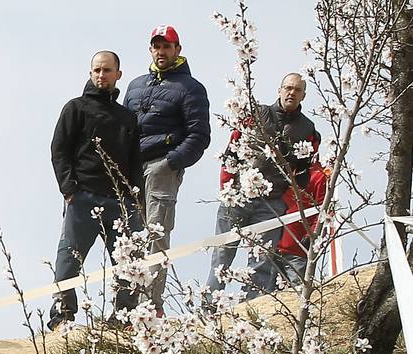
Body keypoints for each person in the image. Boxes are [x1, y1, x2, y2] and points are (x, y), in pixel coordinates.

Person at [46, 50, 145, 330]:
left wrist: (134, 195)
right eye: (97, 70)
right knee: (69, 258)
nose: (101, 75)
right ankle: (61, 317)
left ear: (118, 75)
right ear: (90, 73)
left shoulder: (127, 117)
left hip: (121, 203)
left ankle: (124, 317)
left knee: (126, 262)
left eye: (107, 70)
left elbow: (135, 159)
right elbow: (59, 150)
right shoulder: (75, 107)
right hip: (83, 197)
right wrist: (69, 190)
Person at [207, 74, 320, 299]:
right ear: (279, 90)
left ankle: (252, 307)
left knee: (262, 261)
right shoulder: (256, 114)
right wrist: (227, 187)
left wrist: (287, 202)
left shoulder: (308, 130)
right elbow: (232, 150)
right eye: (288, 87)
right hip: (238, 196)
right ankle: (209, 306)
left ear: (303, 95)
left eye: (297, 90)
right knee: (222, 254)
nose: (291, 93)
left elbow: (304, 173)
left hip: (271, 203)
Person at [123, 25, 211, 310]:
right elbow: (123, 127)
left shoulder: (192, 88)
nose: (161, 51)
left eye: (167, 46)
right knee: (127, 235)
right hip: (131, 168)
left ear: (177, 50)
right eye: (157, 46)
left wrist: (171, 163)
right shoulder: (135, 85)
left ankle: (150, 304)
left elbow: (199, 136)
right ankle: (125, 305)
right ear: (151, 49)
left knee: (156, 232)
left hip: (162, 165)